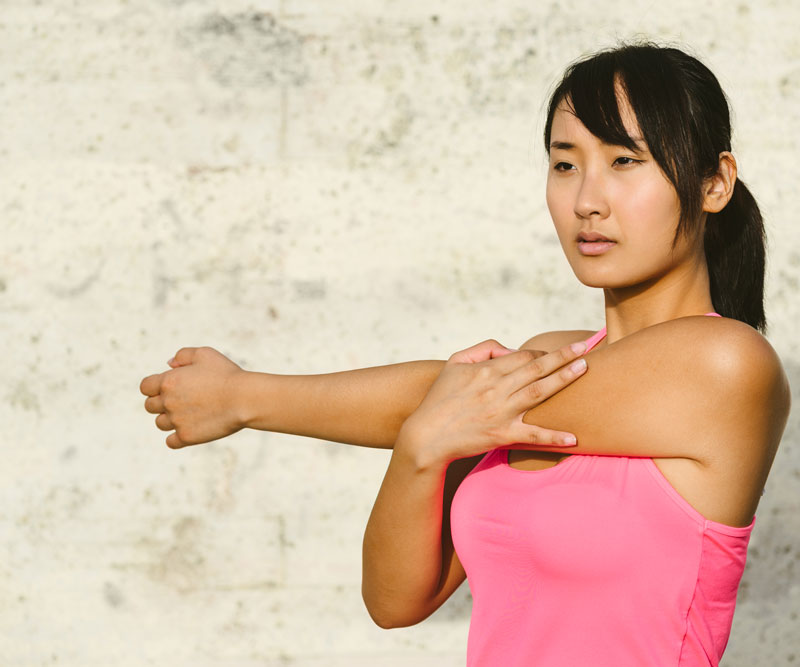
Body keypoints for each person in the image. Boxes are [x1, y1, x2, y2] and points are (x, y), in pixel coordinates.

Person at [140, 41, 791, 666]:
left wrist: (246, 396)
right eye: (565, 164)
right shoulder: (540, 357)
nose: (587, 200)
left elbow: (469, 393)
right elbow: (395, 601)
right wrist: (423, 443)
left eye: (624, 161)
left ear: (715, 182)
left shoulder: (727, 363)